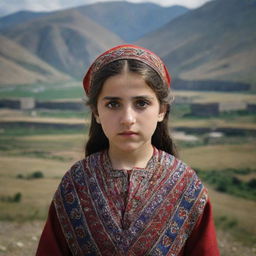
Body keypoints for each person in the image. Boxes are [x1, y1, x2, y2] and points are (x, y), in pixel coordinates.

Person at [36, 44, 220, 256]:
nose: (127, 119)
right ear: (96, 112)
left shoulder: (187, 186)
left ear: (161, 110)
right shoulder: (75, 183)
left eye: (141, 103)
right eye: (113, 104)